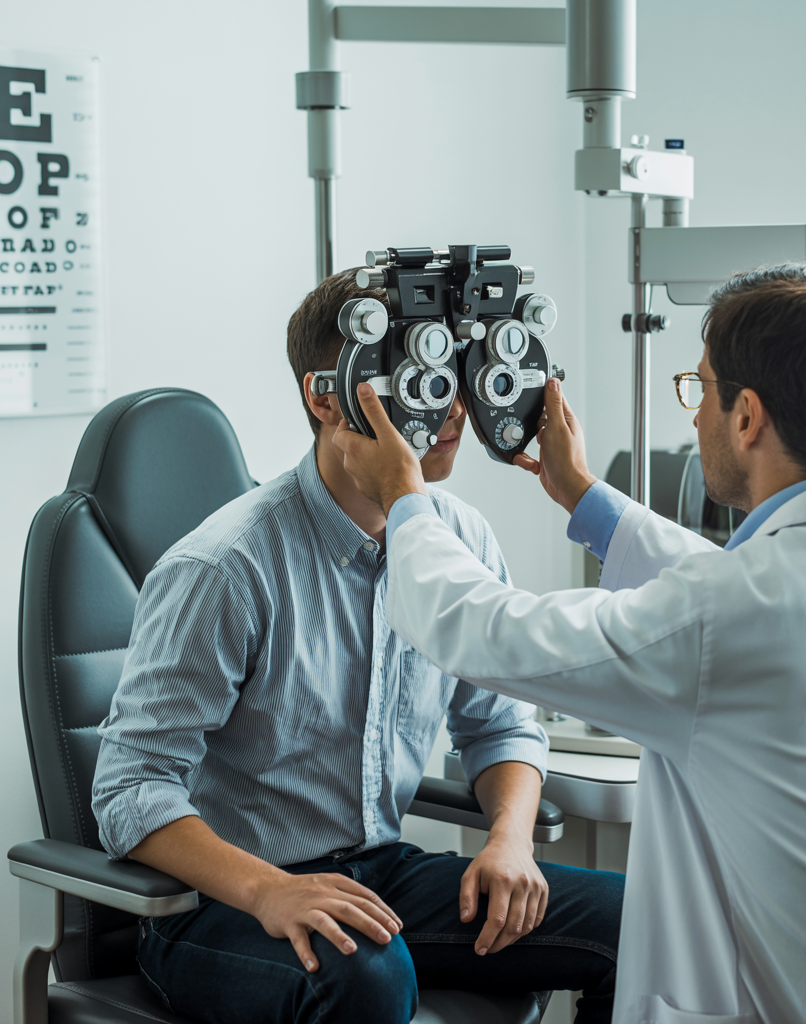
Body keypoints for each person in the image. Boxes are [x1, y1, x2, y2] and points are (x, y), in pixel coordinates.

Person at [332, 263, 806, 1024]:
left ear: (748, 418)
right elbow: (738, 591)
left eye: (699, 389)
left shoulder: (729, 611)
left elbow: (483, 629)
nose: (695, 417)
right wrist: (583, 497)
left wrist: (405, 497)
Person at [91, 268, 624, 1024]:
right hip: (218, 905)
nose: (448, 411)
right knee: (364, 973)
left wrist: (510, 842)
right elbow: (129, 789)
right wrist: (270, 891)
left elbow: (500, 725)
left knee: (634, 921)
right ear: (324, 396)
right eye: (406, 382)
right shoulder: (226, 567)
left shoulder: (460, 537)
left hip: (377, 875)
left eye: (446, 377)